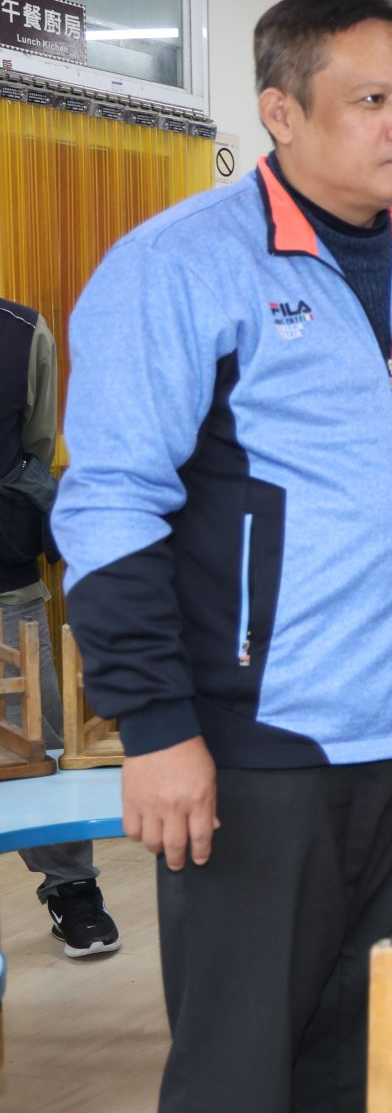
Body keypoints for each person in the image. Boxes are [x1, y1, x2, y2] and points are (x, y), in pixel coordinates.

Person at [53, 0, 392, 1109]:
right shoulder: (180, 266)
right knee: (241, 1060)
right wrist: (155, 726)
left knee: (384, 1048)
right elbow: (110, 504)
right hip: (261, 741)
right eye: (370, 100)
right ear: (281, 111)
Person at [2, 299, 119, 957]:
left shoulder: (23, 332)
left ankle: (73, 889)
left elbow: (37, 448)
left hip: (5, 579)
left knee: (36, 741)